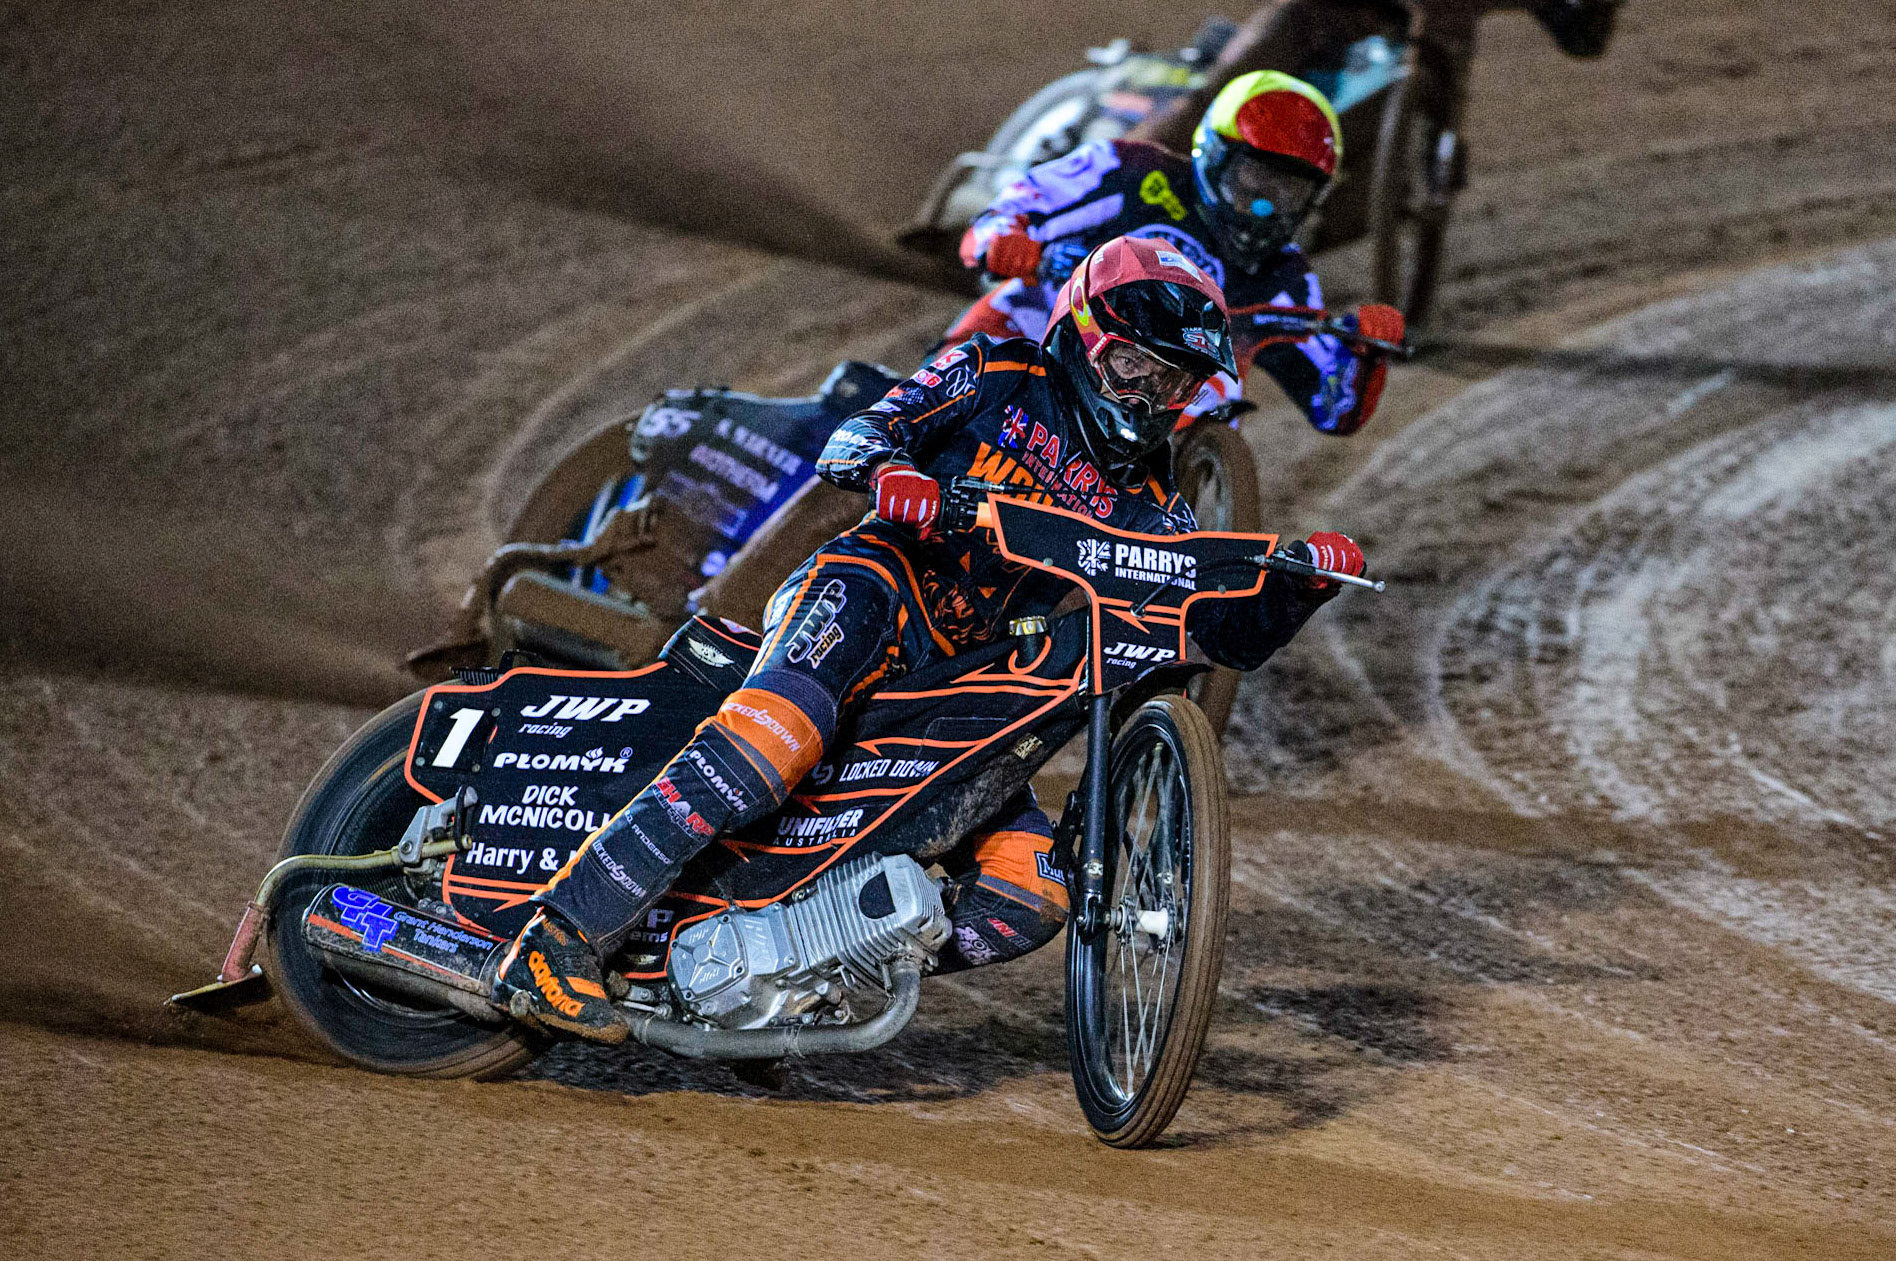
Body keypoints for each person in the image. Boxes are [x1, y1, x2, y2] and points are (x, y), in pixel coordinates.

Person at [491, 236, 1369, 1042]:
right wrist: (895, 474)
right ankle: (558, 933)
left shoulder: (1151, 500)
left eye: (1172, 383)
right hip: (870, 587)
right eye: (1134, 363)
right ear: (1083, 333)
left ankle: (804, 965)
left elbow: (1214, 630)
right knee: (776, 734)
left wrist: (1300, 590)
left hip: (961, 673)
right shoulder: (992, 371)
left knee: (1034, 888)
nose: (1147, 395)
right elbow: (860, 434)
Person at [950, 71, 1405, 438]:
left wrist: (1365, 356)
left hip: (1160, 419)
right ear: (1215, 153)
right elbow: (1009, 209)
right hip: (1028, 342)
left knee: (1218, 394)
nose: (1264, 206)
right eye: (1253, 178)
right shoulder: (1129, 171)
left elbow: (1334, 411)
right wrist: (1005, 240)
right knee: (933, 401)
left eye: (1288, 190)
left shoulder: (1285, 277)